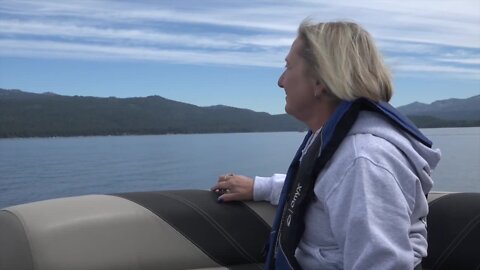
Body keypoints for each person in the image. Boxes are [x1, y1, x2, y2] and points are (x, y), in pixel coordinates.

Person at [211, 20, 441, 270]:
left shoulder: (362, 161)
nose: (280, 81)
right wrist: (261, 187)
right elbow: (318, 187)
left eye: (288, 67)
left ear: (319, 80)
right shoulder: (338, 143)